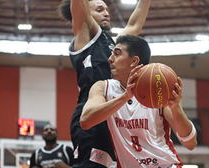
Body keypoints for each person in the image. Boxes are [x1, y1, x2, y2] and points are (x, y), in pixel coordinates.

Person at [58, 0, 151, 167]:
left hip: (115, 115)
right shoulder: (84, 36)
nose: (107, 13)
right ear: (86, 13)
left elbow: (135, 24)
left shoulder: (115, 45)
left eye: (107, 10)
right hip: (92, 113)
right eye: (99, 10)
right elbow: (79, 8)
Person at [80, 35, 198, 167]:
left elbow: (190, 144)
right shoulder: (103, 87)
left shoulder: (159, 91)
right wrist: (125, 96)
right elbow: (85, 121)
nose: (110, 59)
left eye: (117, 54)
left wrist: (176, 108)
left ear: (133, 61)